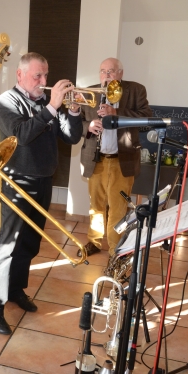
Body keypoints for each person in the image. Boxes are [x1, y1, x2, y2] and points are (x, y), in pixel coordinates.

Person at [0, 52, 82, 335]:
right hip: (17, 181)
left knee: (30, 241)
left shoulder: (45, 103)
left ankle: (14, 290)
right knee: (8, 245)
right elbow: (22, 135)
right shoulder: (6, 102)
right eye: (38, 75)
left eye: (46, 75)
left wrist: (72, 111)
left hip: (43, 179)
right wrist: (51, 107)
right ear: (20, 75)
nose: (43, 81)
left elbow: (71, 137)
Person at [78, 57, 152, 258]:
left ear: (121, 73)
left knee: (118, 209)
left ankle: (115, 249)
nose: (106, 75)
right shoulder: (90, 93)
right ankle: (94, 241)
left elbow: (146, 118)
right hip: (96, 159)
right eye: (103, 71)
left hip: (122, 160)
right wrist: (90, 126)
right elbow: (80, 123)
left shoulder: (136, 90)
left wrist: (116, 112)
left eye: (111, 71)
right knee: (96, 206)